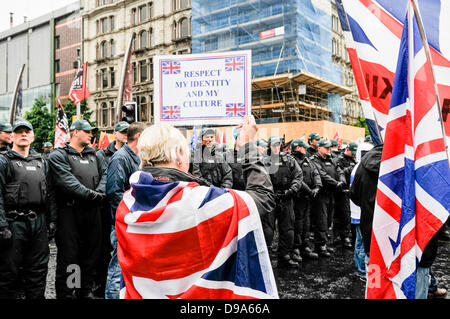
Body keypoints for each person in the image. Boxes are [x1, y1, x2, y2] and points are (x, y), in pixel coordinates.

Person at [115, 115, 276, 298]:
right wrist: (248, 145)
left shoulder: (126, 205)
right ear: (179, 153)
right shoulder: (201, 202)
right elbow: (262, 197)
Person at [48, 119, 107, 299]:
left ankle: (85, 291)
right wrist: (91, 194)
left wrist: (100, 191)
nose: (91, 135)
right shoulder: (58, 155)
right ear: (75, 132)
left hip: (92, 212)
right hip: (70, 213)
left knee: (90, 255)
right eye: (88, 131)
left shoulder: (95, 155)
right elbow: (68, 182)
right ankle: (68, 293)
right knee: (70, 257)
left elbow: (105, 174)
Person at [0, 119, 57, 299]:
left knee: (38, 271)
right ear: (12, 136)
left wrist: (52, 220)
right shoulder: (4, 161)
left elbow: (50, 194)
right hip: (13, 223)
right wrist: (2, 226)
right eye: (19, 132)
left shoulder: (41, 161)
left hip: (38, 223)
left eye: (27, 132)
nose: (23, 134)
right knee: (8, 272)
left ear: (32, 136)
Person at [105, 122, 147, 299]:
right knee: (118, 268)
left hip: (135, 221)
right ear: (138, 137)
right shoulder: (120, 158)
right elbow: (114, 192)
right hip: (124, 223)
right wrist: (129, 215)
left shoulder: (138, 157)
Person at [95, 120, 129, 296]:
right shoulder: (102, 155)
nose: (126, 135)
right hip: (105, 208)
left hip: (121, 211)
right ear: (114, 134)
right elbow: (102, 178)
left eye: (128, 132)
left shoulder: (132, 154)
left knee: (118, 254)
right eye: (122, 132)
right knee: (103, 251)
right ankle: (102, 287)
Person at [264, 136, 303, 267]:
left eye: (278, 145)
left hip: (286, 198)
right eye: (273, 145)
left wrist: (291, 190)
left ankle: (284, 256)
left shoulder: (289, 160)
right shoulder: (263, 161)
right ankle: (265, 257)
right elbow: (257, 178)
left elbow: (298, 176)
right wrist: (268, 193)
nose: (276, 147)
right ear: (269, 146)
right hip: (270, 199)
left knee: (288, 229)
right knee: (268, 230)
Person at [309, 139, 346, 257]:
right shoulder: (314, 160)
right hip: (321, 194)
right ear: (319, 148)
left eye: (329, 148)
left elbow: (340, 171)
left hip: (331, 193)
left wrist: (341, 181)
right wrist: (336, 183)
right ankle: (320, 246)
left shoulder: (331, 159)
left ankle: (324, 243)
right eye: (326, 148)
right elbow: (322, 175)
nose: (329, 149)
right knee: (321, 220)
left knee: (329, 219)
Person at [290, 138, 320, 260]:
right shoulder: (291, 160)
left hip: (308, 198)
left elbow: (316, 173)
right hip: (297, 197)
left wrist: (317, 186)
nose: (305, 149)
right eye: (303, 147)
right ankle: (296, 247)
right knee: (297, 222)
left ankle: (305, 246)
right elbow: (298, 179)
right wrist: (309, 190)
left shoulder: (307, 159)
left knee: (306, 222)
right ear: (297, 148)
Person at [331, 142, 358, 249]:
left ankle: (346, 234)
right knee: (344, 215)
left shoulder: (354, 160)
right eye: (353, 152)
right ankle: (343, 236)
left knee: (349, 214)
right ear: (348, 149)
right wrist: (348, 170)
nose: (354, 154)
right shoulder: (339, 159)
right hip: (341, 191)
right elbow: (337, 173)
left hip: (351, 191)